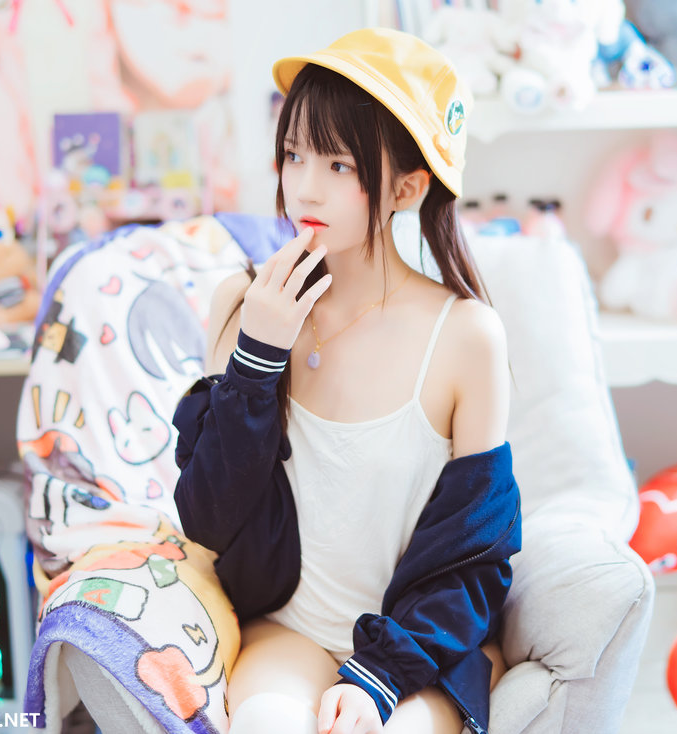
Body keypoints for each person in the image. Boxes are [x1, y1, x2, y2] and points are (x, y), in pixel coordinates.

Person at [172, 28, 521, 734]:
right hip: (288, 633)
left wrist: (380, 678)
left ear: (407, 187)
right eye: (294, 154)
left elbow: (476, 556)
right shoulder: (241, 304)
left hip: (418, 652)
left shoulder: (466, 336)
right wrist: (258, 355)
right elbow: (207, 518)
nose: (304, 186)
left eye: (339, 164)